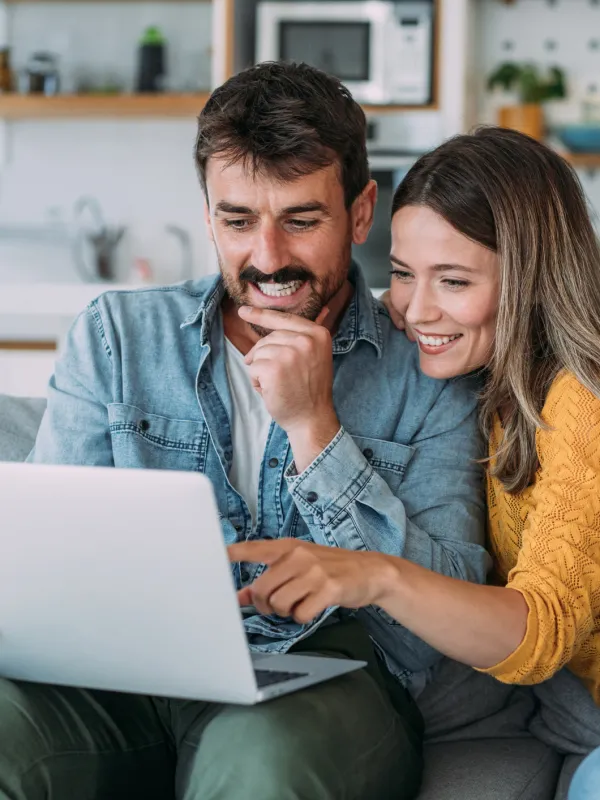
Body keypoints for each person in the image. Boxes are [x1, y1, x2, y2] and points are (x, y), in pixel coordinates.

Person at [4, 63, 489, 800]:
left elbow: (434, 625)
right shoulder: (119, 337)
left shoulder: (426, 363)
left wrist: (314, 428)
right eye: (237, 222)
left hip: (327, 678)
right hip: (122, 675)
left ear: (361, 215)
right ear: (207, 217)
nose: (267, 258)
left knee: (262, 767)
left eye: (300, 220)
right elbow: (40, 577)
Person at [232, 126, 600, 792]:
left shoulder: (581, 397)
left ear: (533, 278)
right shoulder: (488, 377)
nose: (413, 309)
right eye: (401, 273)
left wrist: (378, 575)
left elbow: (541, 632)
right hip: (564, 723)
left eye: (453, 280)